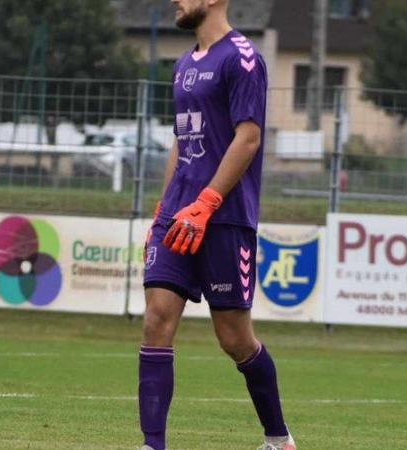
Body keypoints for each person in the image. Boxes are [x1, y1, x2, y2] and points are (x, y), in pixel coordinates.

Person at [138, 1, 296, 449]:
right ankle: (153, 445)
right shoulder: (183, 63)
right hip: (177, 216)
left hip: (224, 218)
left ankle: (278, 438)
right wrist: (162, 212)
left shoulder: (243, 57)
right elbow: (181, 140)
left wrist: (206, 202)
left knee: (234, 338)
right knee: (156, 319)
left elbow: (249, 137)